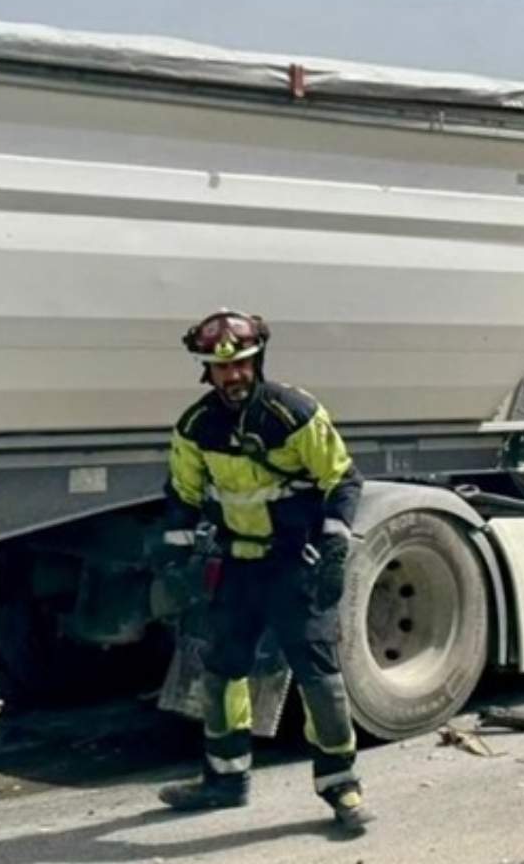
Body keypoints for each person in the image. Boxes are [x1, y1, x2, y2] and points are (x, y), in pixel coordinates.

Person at [155, 309, 376, 832]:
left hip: (293, 565)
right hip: (237, 566)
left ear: (258, 360)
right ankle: (225, 781)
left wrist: (336, 547)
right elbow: (183, 498)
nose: (232, 377)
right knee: (222, 671)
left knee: (319, 680)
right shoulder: (195, 427)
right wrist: (171, 558)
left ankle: (341, 786)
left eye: (242, 365)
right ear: (206, 372)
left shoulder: (293, 413)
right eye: (219, 368)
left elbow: (342, 482)